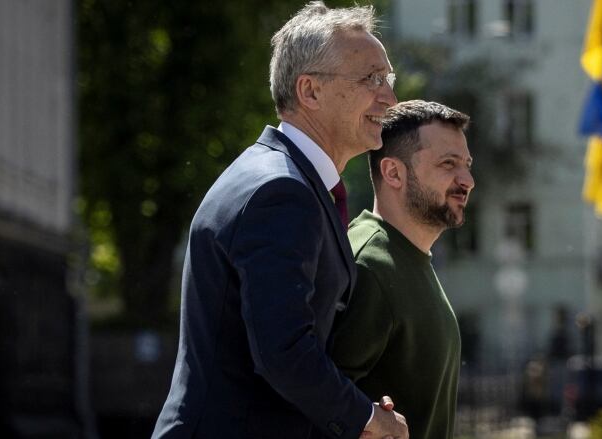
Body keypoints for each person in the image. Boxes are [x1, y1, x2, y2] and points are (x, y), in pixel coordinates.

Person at [152, 2, 408, 438]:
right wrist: (366, 419)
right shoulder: (281, 192)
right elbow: (283, 352)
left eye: (388, 79)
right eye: (371, 79)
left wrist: (358, 408)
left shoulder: (285, 180)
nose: (389, 97)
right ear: (309, 91)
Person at [330, 100, 475, 439]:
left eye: (467, 165)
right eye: (448, 164)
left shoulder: (409, 257)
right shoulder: (369, 264)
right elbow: (316, 404)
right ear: (393, 172)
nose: (467, 180)